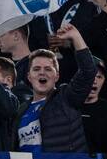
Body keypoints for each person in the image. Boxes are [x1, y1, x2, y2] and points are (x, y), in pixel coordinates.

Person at [11, 24, 97, 152]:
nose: (42, 73)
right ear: (29, 77)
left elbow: (88, 71)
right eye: (36, 69)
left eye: (48, 69)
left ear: (56, 76)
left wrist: (76, 37)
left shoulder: (66, 97)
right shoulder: (21, 110)